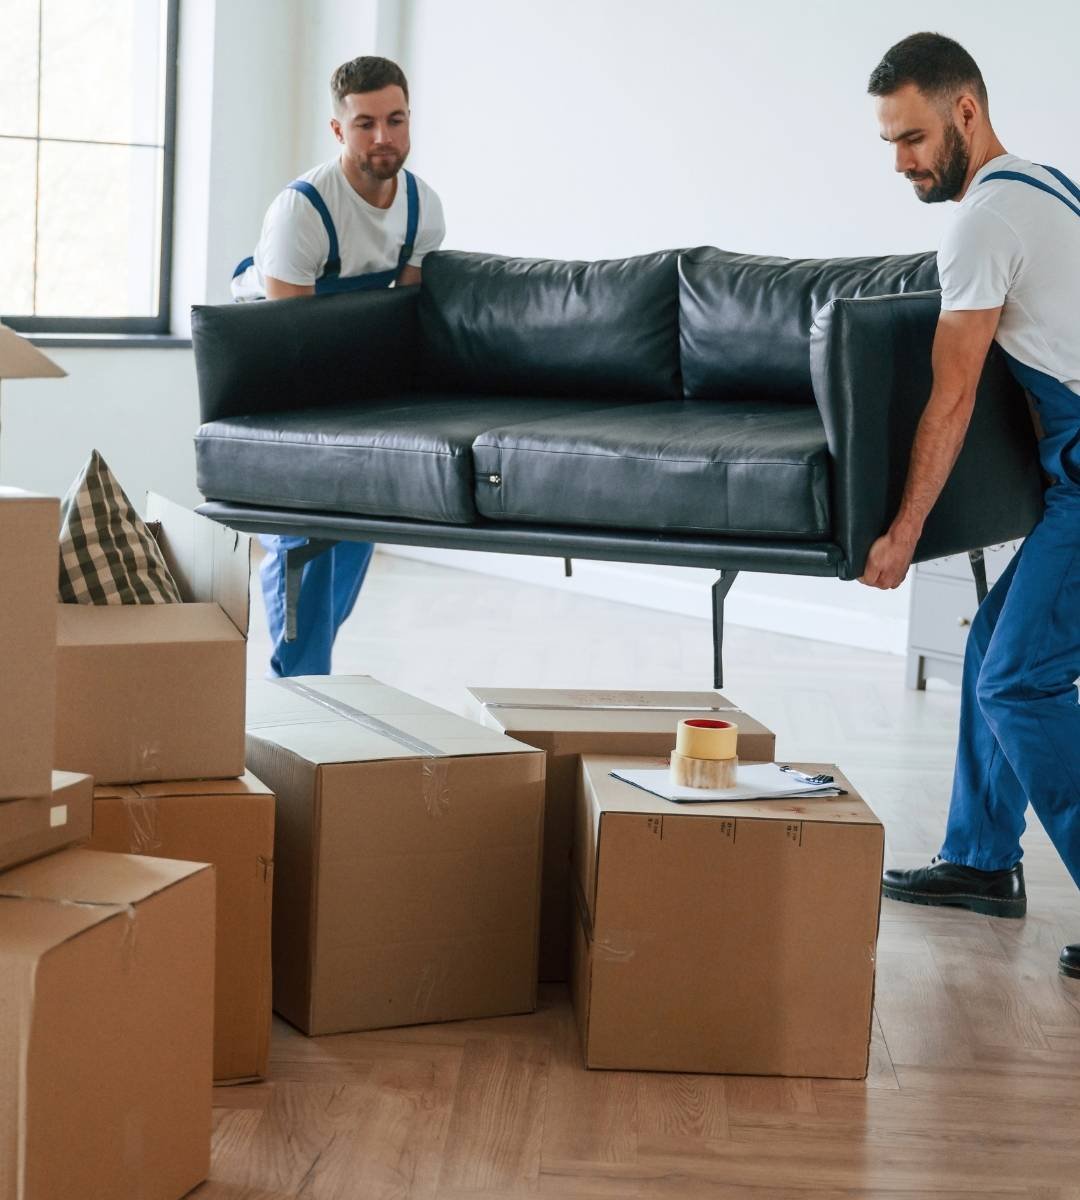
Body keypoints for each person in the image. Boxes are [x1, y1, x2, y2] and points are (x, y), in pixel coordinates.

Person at [861, 33, 1080, 977]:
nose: (902, 162)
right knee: (995, 648)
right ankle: (982, 861)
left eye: (911, 138)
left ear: (964, 112)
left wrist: (903, 534)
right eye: (888, 144)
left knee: (1015, 680)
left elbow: (950, 401)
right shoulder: (1046, 183)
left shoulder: (983, 222)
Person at [232, 55, 445, 676]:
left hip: (353, 360)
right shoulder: (300, 211)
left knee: (355, 524)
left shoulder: (422, 208)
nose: (383, 137)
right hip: (269, 359)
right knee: (302, 530)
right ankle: (296, 690)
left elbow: (400, 318)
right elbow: (289, 339)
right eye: (365, 124)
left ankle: (306, 677)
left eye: (396, 120)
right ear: (338, 130)